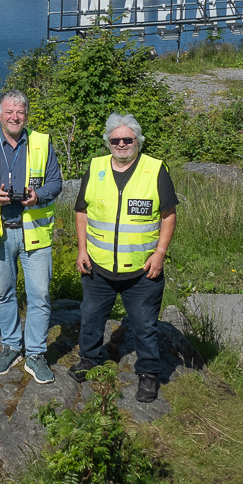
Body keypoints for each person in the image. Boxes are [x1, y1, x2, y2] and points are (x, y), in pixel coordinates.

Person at [70, 113, 178, 403]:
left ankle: (148, 374)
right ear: (108, 142)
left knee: (145, 325)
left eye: (127, 139)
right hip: (98, 265)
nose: (121, 144)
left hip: (143, 270)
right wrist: (82, 250)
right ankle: (89, 359)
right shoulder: (95, 167)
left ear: (137, 141)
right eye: (115, 139)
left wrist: (160, 253)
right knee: (91, 317)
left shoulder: (155, 170)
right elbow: (81, 211)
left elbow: (169, 215)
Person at [0, 90, 62, 384]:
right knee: (3, 293)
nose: (14, 117)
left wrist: (39, 195)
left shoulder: (43, 143)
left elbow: (56, 182)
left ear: (26, 115)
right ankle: (10, 347)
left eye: (19, 112)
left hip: (35, 234)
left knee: (40, 296)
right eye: (9, 112)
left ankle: (34, 353)